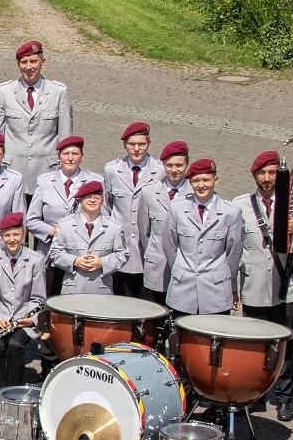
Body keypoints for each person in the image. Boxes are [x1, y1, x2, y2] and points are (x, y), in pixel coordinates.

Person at [235, 150, 293, 421]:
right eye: (262, 173)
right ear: (254, 176)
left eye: (272, 173)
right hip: (255, 286)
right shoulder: (241, 206)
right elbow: (235, 248)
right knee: (256, 345)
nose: (268, 178)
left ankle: (285, 396)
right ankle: (256, 394)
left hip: (288, 287)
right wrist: (235, 287)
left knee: (287, 345)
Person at [0, 40, 73, 200]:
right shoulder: (4, 91)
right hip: (12, 170)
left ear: (43, 62)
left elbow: (65, 136)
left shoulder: (58, 92)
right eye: (24, 62)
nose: (29, 67)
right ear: (18, 64)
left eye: (33, 61)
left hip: (46, 171)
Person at [162, 159, 244, 316]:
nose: (201, 185)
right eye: (196, 181)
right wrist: (181, 269)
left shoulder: (231, 212)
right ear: (190, 183)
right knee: (180, 336)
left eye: (206, 180)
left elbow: (233, 254)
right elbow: (169, 245)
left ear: (216, 180)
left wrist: (226, 279)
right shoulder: (177, 208)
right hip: (183, 289)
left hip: (216, 291)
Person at [25, 135, 103, 295]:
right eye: (66, 154)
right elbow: (31, 220)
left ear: (82, 157)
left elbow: (104, 218)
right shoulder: (45, 181)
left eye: (75, 154)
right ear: (59, 157)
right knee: (48, 298)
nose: (70, 158)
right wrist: (52, 231)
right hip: (50, 253)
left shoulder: (95, 180)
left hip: (82, 255)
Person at [0, 212, 46, 390]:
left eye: (16, 234)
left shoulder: (35, 259)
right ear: (1, 237)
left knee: (15, 345)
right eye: (7, 235)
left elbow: (38, 298)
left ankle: (14, 390)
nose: (12, 239)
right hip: (0, 317)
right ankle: (0, 390)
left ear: (23, 235)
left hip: (24, 318)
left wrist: (30, 319)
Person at [103, 122, 162, 299]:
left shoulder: (160, 170)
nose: (136, 149)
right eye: (131, 144)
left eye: (141, 144)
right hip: (120, 247)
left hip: (147, 248)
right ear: (124, 145)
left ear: (149, 144)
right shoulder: (112, 169)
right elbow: (107, 206)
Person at [50, 180, 129, 294]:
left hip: (101, 290)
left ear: (102, 201)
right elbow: (55, 253)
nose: (92, 200)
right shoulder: (65, 225)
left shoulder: (114, 227)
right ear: (80, 200)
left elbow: (122, 254)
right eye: (88, 197)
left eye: (97, 197)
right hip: (72, 290)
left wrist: (102, 262)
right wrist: (75, 261)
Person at [140, 141, 191, 305]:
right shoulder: (149, 193)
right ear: (162, 165)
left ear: (187, 164)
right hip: (157, 267)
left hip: (186, 269)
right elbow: (144, 233)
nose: (174, 170)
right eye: (169, 165)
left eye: (179, 165)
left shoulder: (194, 194)